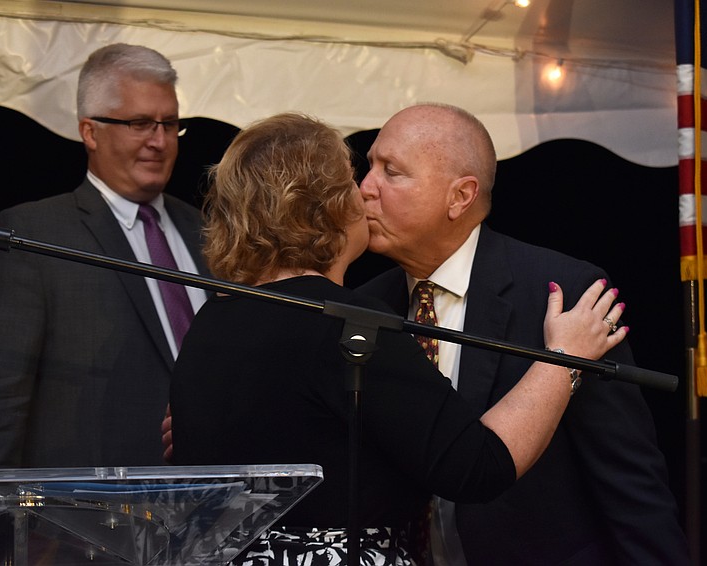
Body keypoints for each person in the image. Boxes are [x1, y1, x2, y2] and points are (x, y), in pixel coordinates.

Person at [169, 113, 627, 565]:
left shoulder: (211, 321)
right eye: (353, 180)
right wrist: (564, 358)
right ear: (325, 208)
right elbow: (476, 466)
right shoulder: (347, 322)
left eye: (388, 172)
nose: (367, 190)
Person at [356, 103, 691, 565]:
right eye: (369, 166)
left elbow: (629, 481)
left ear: (460, 196)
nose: (365, 188)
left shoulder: (562, 293)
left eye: (391, 172)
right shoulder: (366, 305)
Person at [0, 43, 207, 468]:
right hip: (87, 501)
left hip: (211, 492)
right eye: (140, 124)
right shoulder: (33, 234)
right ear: (90, 132)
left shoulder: (208, 231)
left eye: (170, 124)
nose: (159, 141)